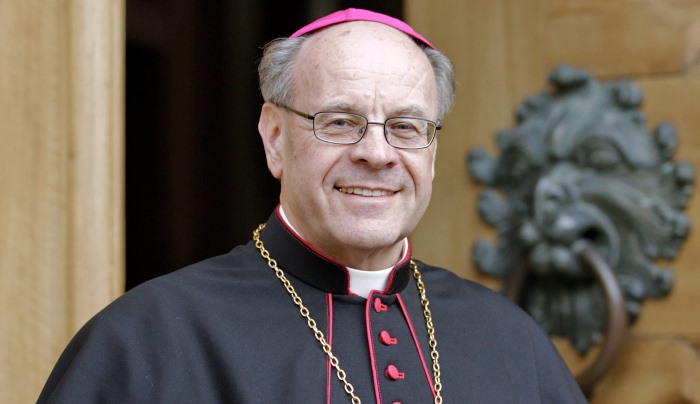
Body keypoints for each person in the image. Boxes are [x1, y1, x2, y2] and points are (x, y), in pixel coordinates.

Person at [39, 8, 586, 403]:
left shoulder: (509, 338)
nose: (377, 153)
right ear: (275, 138)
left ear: (432, 150)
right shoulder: (149, 338)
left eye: (405, 126)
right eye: (341, 122)